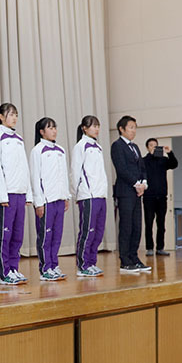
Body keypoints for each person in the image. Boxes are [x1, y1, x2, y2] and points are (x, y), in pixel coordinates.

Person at [0, 103, 32, 285]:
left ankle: (14, 268)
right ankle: (4, 271)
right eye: (10, 114)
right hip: (6, 195)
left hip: (20, 193)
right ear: (1, 116)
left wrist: (28, 194)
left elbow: (24, 167)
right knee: (4, 235)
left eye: (16, 114)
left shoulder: (19, 139)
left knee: (17, 234)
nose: (14, 118)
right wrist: (2, 195)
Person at [30, 117, 70, 281]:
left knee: (57, 235)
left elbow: (64, 176)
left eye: (55, 127)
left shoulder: (60, 150)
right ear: (41, 131)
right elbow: (35, 177)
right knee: (45, 236)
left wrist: (66, 195)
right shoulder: (37, 150)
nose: (54, 130)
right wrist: (38, 202)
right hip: (46, 201)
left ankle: (54, 265)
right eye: (50, 128)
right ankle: (46, 268)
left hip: (59, 199)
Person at [110, 115, 151, 274]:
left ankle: (134, 258)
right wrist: (136, 183)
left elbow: (142, 168)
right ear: (122, 129)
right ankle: (125, 260)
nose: (133, 131)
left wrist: (144, 183)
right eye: (131, 127)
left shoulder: (135, 147)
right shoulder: (117, 146)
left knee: (136, 225)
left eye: (135, 128)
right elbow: (121, 169)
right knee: (126, 226)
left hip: (137, 192)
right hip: (126, 191)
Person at [71, 115, 107, 277]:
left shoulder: (97, 147)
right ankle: (83, 265)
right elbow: (75, 172)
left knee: (98, 232)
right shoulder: (81, 146)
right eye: (93, 126)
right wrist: (77, 194)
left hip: (101, 195)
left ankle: (92, 262)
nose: (97, 129)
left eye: (98, 126)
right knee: (88, 231)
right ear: (84, 128)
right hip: (88, 195)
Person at [143, 138, 178, 256]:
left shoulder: (163, 160)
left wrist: (169, 152)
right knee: (149, 223)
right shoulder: (144, 161)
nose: (154, 147)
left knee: (161, 224)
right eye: (151, 145)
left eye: (156, 145)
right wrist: (151, 156)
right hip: (148, 197)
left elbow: (174, 164)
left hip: (162, 197)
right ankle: (149, 248)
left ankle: (160, 248)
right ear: (147, 148)